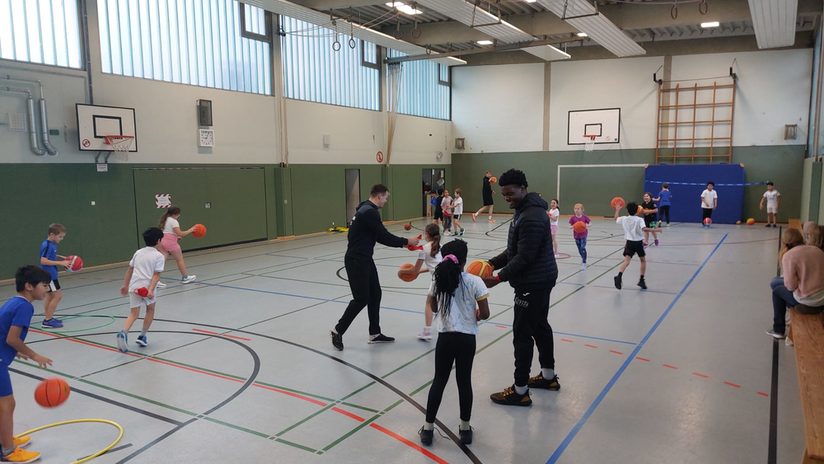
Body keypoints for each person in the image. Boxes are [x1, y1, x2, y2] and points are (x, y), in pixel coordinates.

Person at [482, 169, 560, 407]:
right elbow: (514, 249)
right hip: (540, 279)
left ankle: (520, 391)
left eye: (511, 193)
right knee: (540, 327)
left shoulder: (531, 216)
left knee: (522, 334)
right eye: (504, 195)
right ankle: (548, 377)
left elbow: (525, 256)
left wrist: (498, 278)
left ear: (523, 188)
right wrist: (492, 263)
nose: (507, 198)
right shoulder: (524, 211)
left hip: (533, 283)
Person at [331, 184, 420, 350]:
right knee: (361, 299)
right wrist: (407, 241)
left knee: (375, 294)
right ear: (379, 196)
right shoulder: (370, 212)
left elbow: (377, 236)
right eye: (386, 198)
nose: (386, 201)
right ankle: (337, 331)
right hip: (357, 260)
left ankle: (374, 333)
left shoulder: (365, 208)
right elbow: (384, 236)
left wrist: (404, 244)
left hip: (364, 259)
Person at [418, 240, 490, 447]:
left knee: (439, 380)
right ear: (465, 261)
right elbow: (485, 313)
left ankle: (428, 429)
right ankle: (465, 429)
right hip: (467, 339)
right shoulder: (475, 281)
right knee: (464, 381)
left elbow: (433, 307)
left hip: (446, 338)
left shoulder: (438, 278)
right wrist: (476, 314)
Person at [0, 265, 54, 463]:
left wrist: (17, 352)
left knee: (5, 404)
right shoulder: (25, 307)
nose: (47, 289)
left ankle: (5, 440)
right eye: (44, 285)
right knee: (7, 404)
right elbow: (12, 338)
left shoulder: (13, 302)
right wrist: (34, 355)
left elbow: (3, 332)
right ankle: (7, 450)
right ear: (29, 286)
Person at [767, 228, 824, 339]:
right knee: (775, 282)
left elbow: (790, 286)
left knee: (776, 291)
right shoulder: (817, 250)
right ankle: (789, 314)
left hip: (808, 302)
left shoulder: (789, 256)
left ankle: (778, 330)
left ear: (785, 243)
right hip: (822, 298)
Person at [117, 228, 166, 353]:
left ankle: (123, 332)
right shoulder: (159, 256)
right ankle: (142, 336)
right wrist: (150, 290)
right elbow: (156, 275)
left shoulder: (138, 252)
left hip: (134, 286)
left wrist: (125, 285)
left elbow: (130, 270)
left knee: (134, 314)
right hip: (146, 287)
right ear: (158, 241)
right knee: (150, 310)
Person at [39, 223, 71, 329]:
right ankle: (47, 320)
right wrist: (61, 263)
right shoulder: (47, 245)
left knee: (50, 296)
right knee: (58, 296)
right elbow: (43, 260)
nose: (61, 239)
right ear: (52, 235)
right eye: (60, 236)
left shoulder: (52, 244)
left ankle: (48, 317)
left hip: (50, 274)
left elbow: (51, 256)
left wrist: (61, 258)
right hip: (49, 276)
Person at [415, 223, 443, 341]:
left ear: (427, 234)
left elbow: (414, 270)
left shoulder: (423, 249)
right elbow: (436, 265)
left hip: (437, 279)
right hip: (447, 277)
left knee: (429, 304)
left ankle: (427, 331)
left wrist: (403, 272)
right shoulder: (441, 246)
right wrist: (420, 272)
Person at [614, 202, 648, 290]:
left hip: (629, 242)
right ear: (637, 211)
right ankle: (641, 280)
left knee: (626, 261)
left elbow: (616, 218)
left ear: (627, 211)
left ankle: (619, 276)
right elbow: (644, 229)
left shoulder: (624, 219)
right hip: (638, 243)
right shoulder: (640, 220)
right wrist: (655, 230)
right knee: (643, 260)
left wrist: (617, 210)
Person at [159, 207, 197, 284]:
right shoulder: (174, 221)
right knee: (179, 259)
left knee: (161, 261)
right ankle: (185, 277)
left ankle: (155, 280)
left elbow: (168, 233)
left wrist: (176, 237)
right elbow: (181, 234)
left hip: (162, 241)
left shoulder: (165, 220)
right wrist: (191, 230)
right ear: (176, 214)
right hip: (171, 243)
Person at [569, 203, 591, 271]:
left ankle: (584, 262)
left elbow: (590, 223)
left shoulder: (584, 217)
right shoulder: (572, 218)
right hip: (576, 236)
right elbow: (570, 225)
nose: (577, 210)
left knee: (582, 248)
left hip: (583, 235)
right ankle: (583, 258)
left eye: (578, 209)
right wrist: (573, 226)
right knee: (579, 249)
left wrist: (586, 225)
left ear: (582, 210)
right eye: (575, 209)